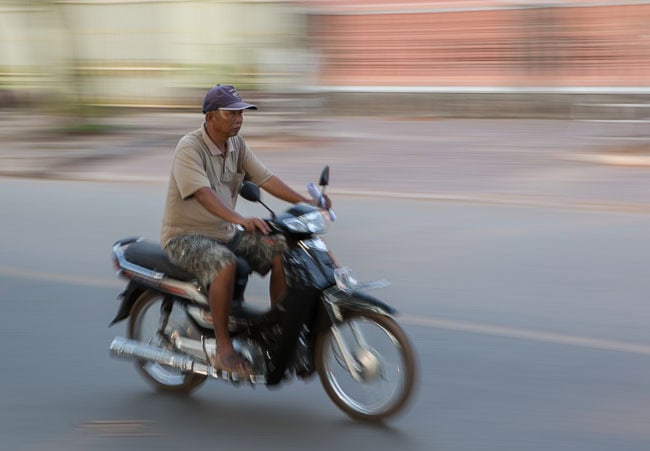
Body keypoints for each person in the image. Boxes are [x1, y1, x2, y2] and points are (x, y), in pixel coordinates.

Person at [160, 84, 330, 376]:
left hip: (225, 233)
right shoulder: (190, 147)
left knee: (284, 249)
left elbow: (266, 179)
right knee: (224, 265)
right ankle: (224, 349)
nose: (238, 119)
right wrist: (239, 219)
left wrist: (306, 201)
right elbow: (202, 193)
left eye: (241, 113)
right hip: (185, 237)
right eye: (232, 113)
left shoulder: (237, 146)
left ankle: (277, 331)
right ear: (211, 116)